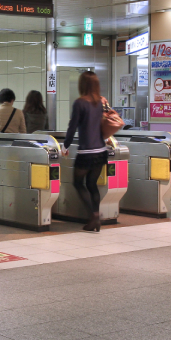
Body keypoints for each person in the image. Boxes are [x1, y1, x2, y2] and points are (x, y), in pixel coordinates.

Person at [62, 72, 119, 232]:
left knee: (78, 183)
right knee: (92, 184)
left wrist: (65, 146)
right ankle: (96, 219)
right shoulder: (101, 102)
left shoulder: (80, 103)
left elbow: (72, 127)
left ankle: (94, 215)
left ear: (82, 85)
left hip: (87, 152)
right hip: (101, 151)